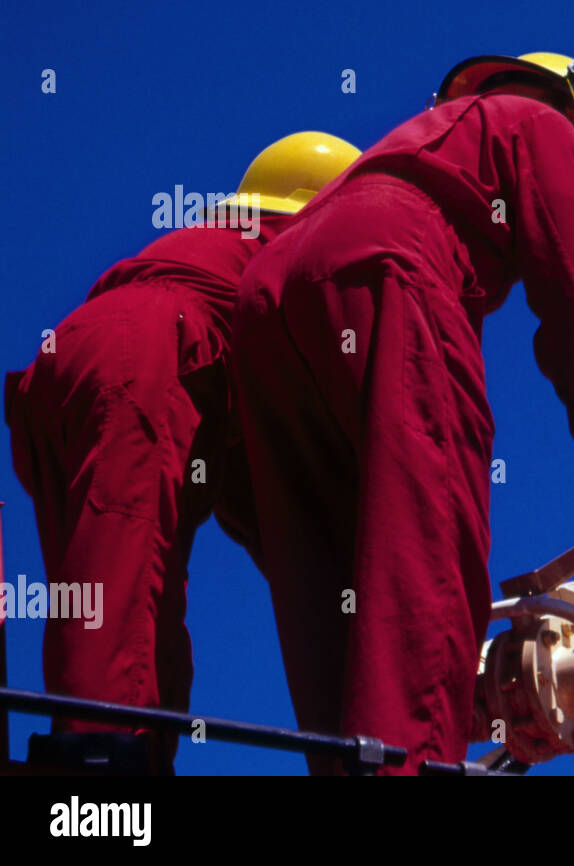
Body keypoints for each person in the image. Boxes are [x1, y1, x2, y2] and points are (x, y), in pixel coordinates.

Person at [233, 52, 574, 774]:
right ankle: (408, 763)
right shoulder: (541, 124)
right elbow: (573, 285)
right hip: (395, 266)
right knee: (422, 552)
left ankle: (352, 762)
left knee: (329, 573)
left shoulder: (409, 144)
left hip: (270, 294)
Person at [5, 132, 360, 773]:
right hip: (147, 354)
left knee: (112, 594)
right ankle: (100, 779)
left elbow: (262, 506)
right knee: (129, 591)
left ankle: (116, 764)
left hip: (66, 367)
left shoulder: (214, 248)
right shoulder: (305, 249)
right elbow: (295, 509)